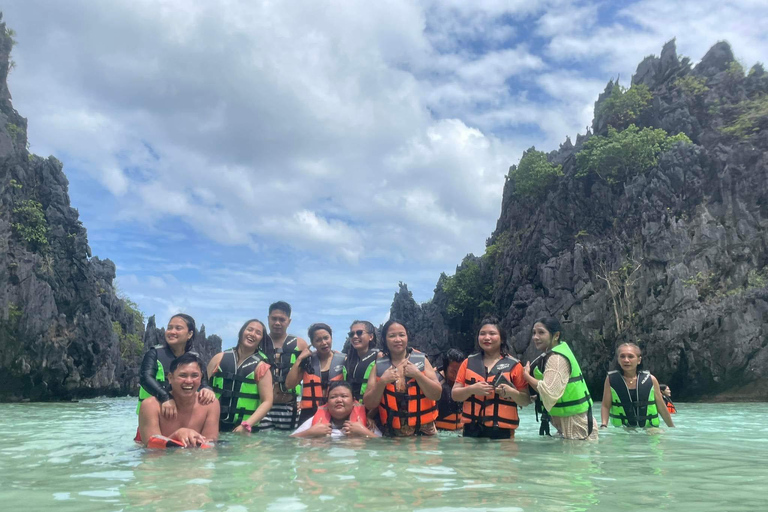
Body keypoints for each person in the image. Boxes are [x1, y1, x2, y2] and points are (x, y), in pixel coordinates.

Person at [452, 318, 531, 439]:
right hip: (471, 432)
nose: (486, 337)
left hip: (502, 434)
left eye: (492, 333)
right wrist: (471, 389)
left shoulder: (514, 365)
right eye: (482, 334)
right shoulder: (468, 363)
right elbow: (455, 395)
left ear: (502, 339)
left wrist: (511, 392)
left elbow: (525, 401)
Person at [363, 319, 441, 436]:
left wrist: (418, 375)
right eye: (392, 336)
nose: (397, 339)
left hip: (425, 433)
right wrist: (382, 382)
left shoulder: (421, 361)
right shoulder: (378, 367)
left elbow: (436, 394)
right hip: (393, 435)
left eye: (401, 335)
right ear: (384, 339)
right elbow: (369, 404)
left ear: (407, 337)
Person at [523, 317, 598, 440]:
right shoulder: (556, 352)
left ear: (556, 335)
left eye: (541, 332)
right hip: (570, 424)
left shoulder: (557, 358)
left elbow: (549, 391)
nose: (535, 337)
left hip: (577, 425)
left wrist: (526, 376)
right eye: (534, 333)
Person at [136, 314, 215, 418]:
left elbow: (203, 383)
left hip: (182, 417)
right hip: (152, 416)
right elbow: (145, 378)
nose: (172, 332)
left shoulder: (195, 359)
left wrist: (207, 390)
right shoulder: (154, 354)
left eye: (178, 328)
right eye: (169, 328)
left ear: (190, 334)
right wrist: (165, 397)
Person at [138, 352, 220, 447]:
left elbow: (209, 447)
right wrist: (177, 435)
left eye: (194, 376)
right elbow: (151, 449)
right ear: (170, 378)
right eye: (183, 375)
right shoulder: (150, 406)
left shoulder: (210, 404)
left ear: (201, 378)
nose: (189, 381)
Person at [208, 319, 274, 433]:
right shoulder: (219, 358)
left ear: (261, 340)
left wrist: (247, 425)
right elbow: (203, 386)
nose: (252, 334)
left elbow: (267, 401)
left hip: (244, 429)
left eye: (258, 333)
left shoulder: (261, 367)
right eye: (250, 329)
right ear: (242, 332)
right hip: (214, 425)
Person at [259, 301, 309, 430]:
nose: (277, 323)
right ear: (268, 319)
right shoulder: (258, 342)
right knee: (259, 446)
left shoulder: (299, 344)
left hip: (288, 406)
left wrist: (304, 401)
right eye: (274, 318)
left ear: (289, 321)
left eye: (282, 319)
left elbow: (309, 374)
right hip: (260, 406)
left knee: (287, 447)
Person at [600, 343, 675, 428]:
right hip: (624, 428)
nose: (626, 360)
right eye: (622, 356)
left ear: (639, 360)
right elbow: (605, 406)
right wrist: (603, 425)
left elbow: (661, 406)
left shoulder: (651, 379)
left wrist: (671, 427)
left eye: (630, 356)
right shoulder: (611, 380)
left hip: (649, 428)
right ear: (618, 359)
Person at [286, 323, 347, 424]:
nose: (323, 343)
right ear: (312, 343)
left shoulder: (344, 360)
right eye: (318, 340)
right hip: (309, 414)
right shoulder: (307, 361)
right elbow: (289, 385)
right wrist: (299, 359)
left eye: (326, 338)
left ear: (331, 338)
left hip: (335, 413)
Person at [292, 381, 381, 438]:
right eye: (333, 397)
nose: (339, 400)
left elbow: (383, 445)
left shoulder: (366, 425)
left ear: (354, 401)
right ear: (327, 402)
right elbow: (289, 442)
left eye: (344, 396)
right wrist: (310, 433)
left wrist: (364, 432)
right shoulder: (314, 422)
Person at [344, 320, 380, 401]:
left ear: (371, 337)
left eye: (359, 333)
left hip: (370, 408)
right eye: (351, 334)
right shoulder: (347, 359)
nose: (355, 336)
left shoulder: (379, 357)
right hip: (351, 409)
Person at [435, 349, 465, 431]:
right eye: (453, 371)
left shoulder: (466, 380)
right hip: (440, 432)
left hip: (459, 432)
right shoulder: (436, 382)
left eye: (460, 371)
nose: (457, 375)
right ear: (445, 368)